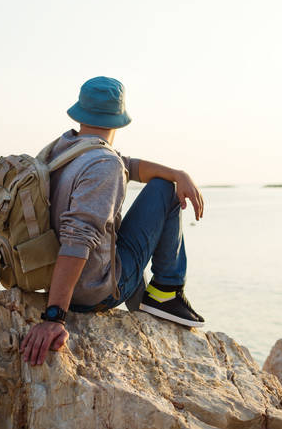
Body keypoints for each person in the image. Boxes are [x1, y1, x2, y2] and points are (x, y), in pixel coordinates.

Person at [20, 76, 205, 367]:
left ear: (79, 112)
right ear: (118, 120)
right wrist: (54, 317)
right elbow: (78, 239)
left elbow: (127, 165)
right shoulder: (105, 165)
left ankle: (150, 297)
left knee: (165, 181)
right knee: (164, 192)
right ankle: (165, 293)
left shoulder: (65, 148)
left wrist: (177, 172)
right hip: (93, 292)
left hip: (53, 277)